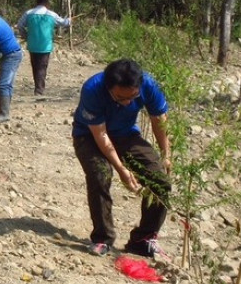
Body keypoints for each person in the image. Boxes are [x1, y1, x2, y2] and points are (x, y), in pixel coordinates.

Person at [71, 58, 173, 258]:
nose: (127, 103)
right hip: (89, 136)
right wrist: (122, 170)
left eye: (132, 98)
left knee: (160, 180)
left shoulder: (148, 85)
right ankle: (102, 238)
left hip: (126, 134)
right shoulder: (93, 89)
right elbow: (100, 135)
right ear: (109, 88)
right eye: (120, 98)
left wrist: (166, 155)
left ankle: (142, 240)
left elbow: (159, 120)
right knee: (100, 175)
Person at [16, 0, 71, 96]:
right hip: (45, 46)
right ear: (46, 4)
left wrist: (25, 35)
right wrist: (69, 21)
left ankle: (38, 87)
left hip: (32, 44)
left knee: (35, 66)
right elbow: (63, 23)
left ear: (36, 3)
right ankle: (39, 90)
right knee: (42, 67)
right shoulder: (51, 14)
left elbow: (19, 25)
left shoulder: (28, 13)